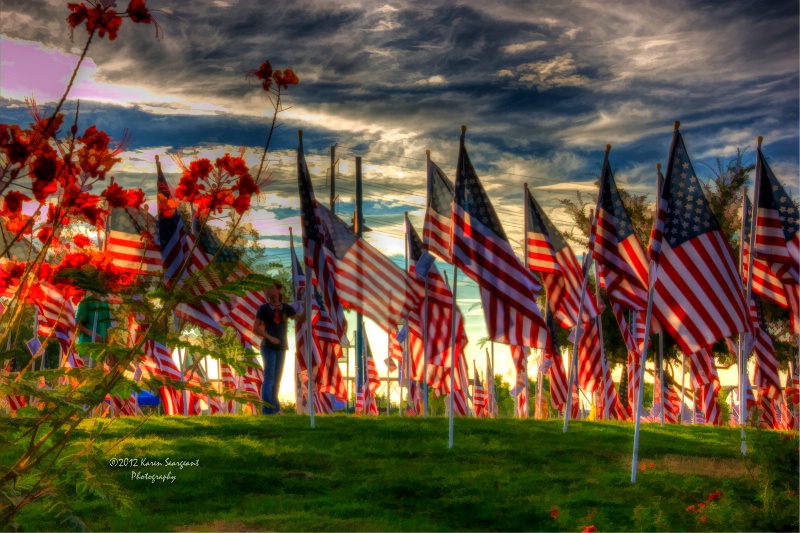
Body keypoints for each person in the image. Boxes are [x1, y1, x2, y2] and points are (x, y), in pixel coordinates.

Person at [253, 281, 305, 415]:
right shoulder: (264, 308)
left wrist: (307, 306)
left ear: (279, 289)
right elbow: (255, 328)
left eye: (271, 287)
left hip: (281, 348)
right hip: (268, 347)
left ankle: (274, 409)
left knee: (277, 381)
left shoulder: (286, 308)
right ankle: (268, 411)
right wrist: (269, 337)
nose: (268, 291)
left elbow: (299, 318)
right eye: (266, 289)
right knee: (269, 379)